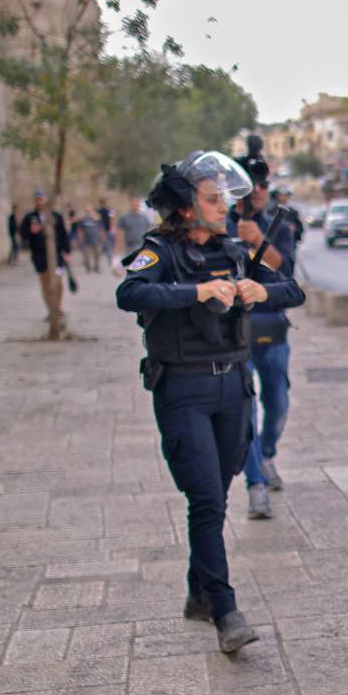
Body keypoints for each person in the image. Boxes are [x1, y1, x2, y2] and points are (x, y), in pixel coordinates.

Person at [116, 151, 303, 653]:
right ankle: (224, 609)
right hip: (184, 390)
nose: (224, 207)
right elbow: (130, 293)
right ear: (183, 207)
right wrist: (197, 292)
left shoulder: (236, 250)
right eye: (212, 199)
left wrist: (259, 293)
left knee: (216, 497)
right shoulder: (158, 252)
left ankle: (198, 594)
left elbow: (291, 290)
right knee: (204, 500)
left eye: (225, 198)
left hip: (233, 389)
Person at [227, 147, 298, 518]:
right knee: (246, 410)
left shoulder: (278, 226)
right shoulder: (220, 226)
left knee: (278, 405)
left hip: (274, 327)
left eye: (261, 184)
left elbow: (287, 272)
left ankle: (267, 454)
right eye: (249, 184)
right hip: (235, 332)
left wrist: (259, 241)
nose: (257, 190)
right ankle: (255, 484)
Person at [22, 190, 71, 328]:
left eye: (41, 199)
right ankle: (51, 310)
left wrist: (67, 251)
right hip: (39, 256)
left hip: (57, 257)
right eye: (37, 199)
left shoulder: (56, 217)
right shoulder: (30, 217)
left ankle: (58, 308)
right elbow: (23, 235)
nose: (39, 202)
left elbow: (63, 235)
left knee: (58, 283)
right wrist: (31, 232)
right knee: (45, 283)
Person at [75, 207, 104, 273]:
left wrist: (102, 239)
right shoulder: (83, 220)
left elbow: (101, 230)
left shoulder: (97, 220)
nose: (89, 212)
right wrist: (80, 239)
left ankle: (96, 267)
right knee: (87, 256)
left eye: (90, 211)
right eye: (87, 211)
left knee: (97, 255)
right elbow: (79, 230)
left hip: (96, 240)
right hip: (86, 241)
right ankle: (88, 267)